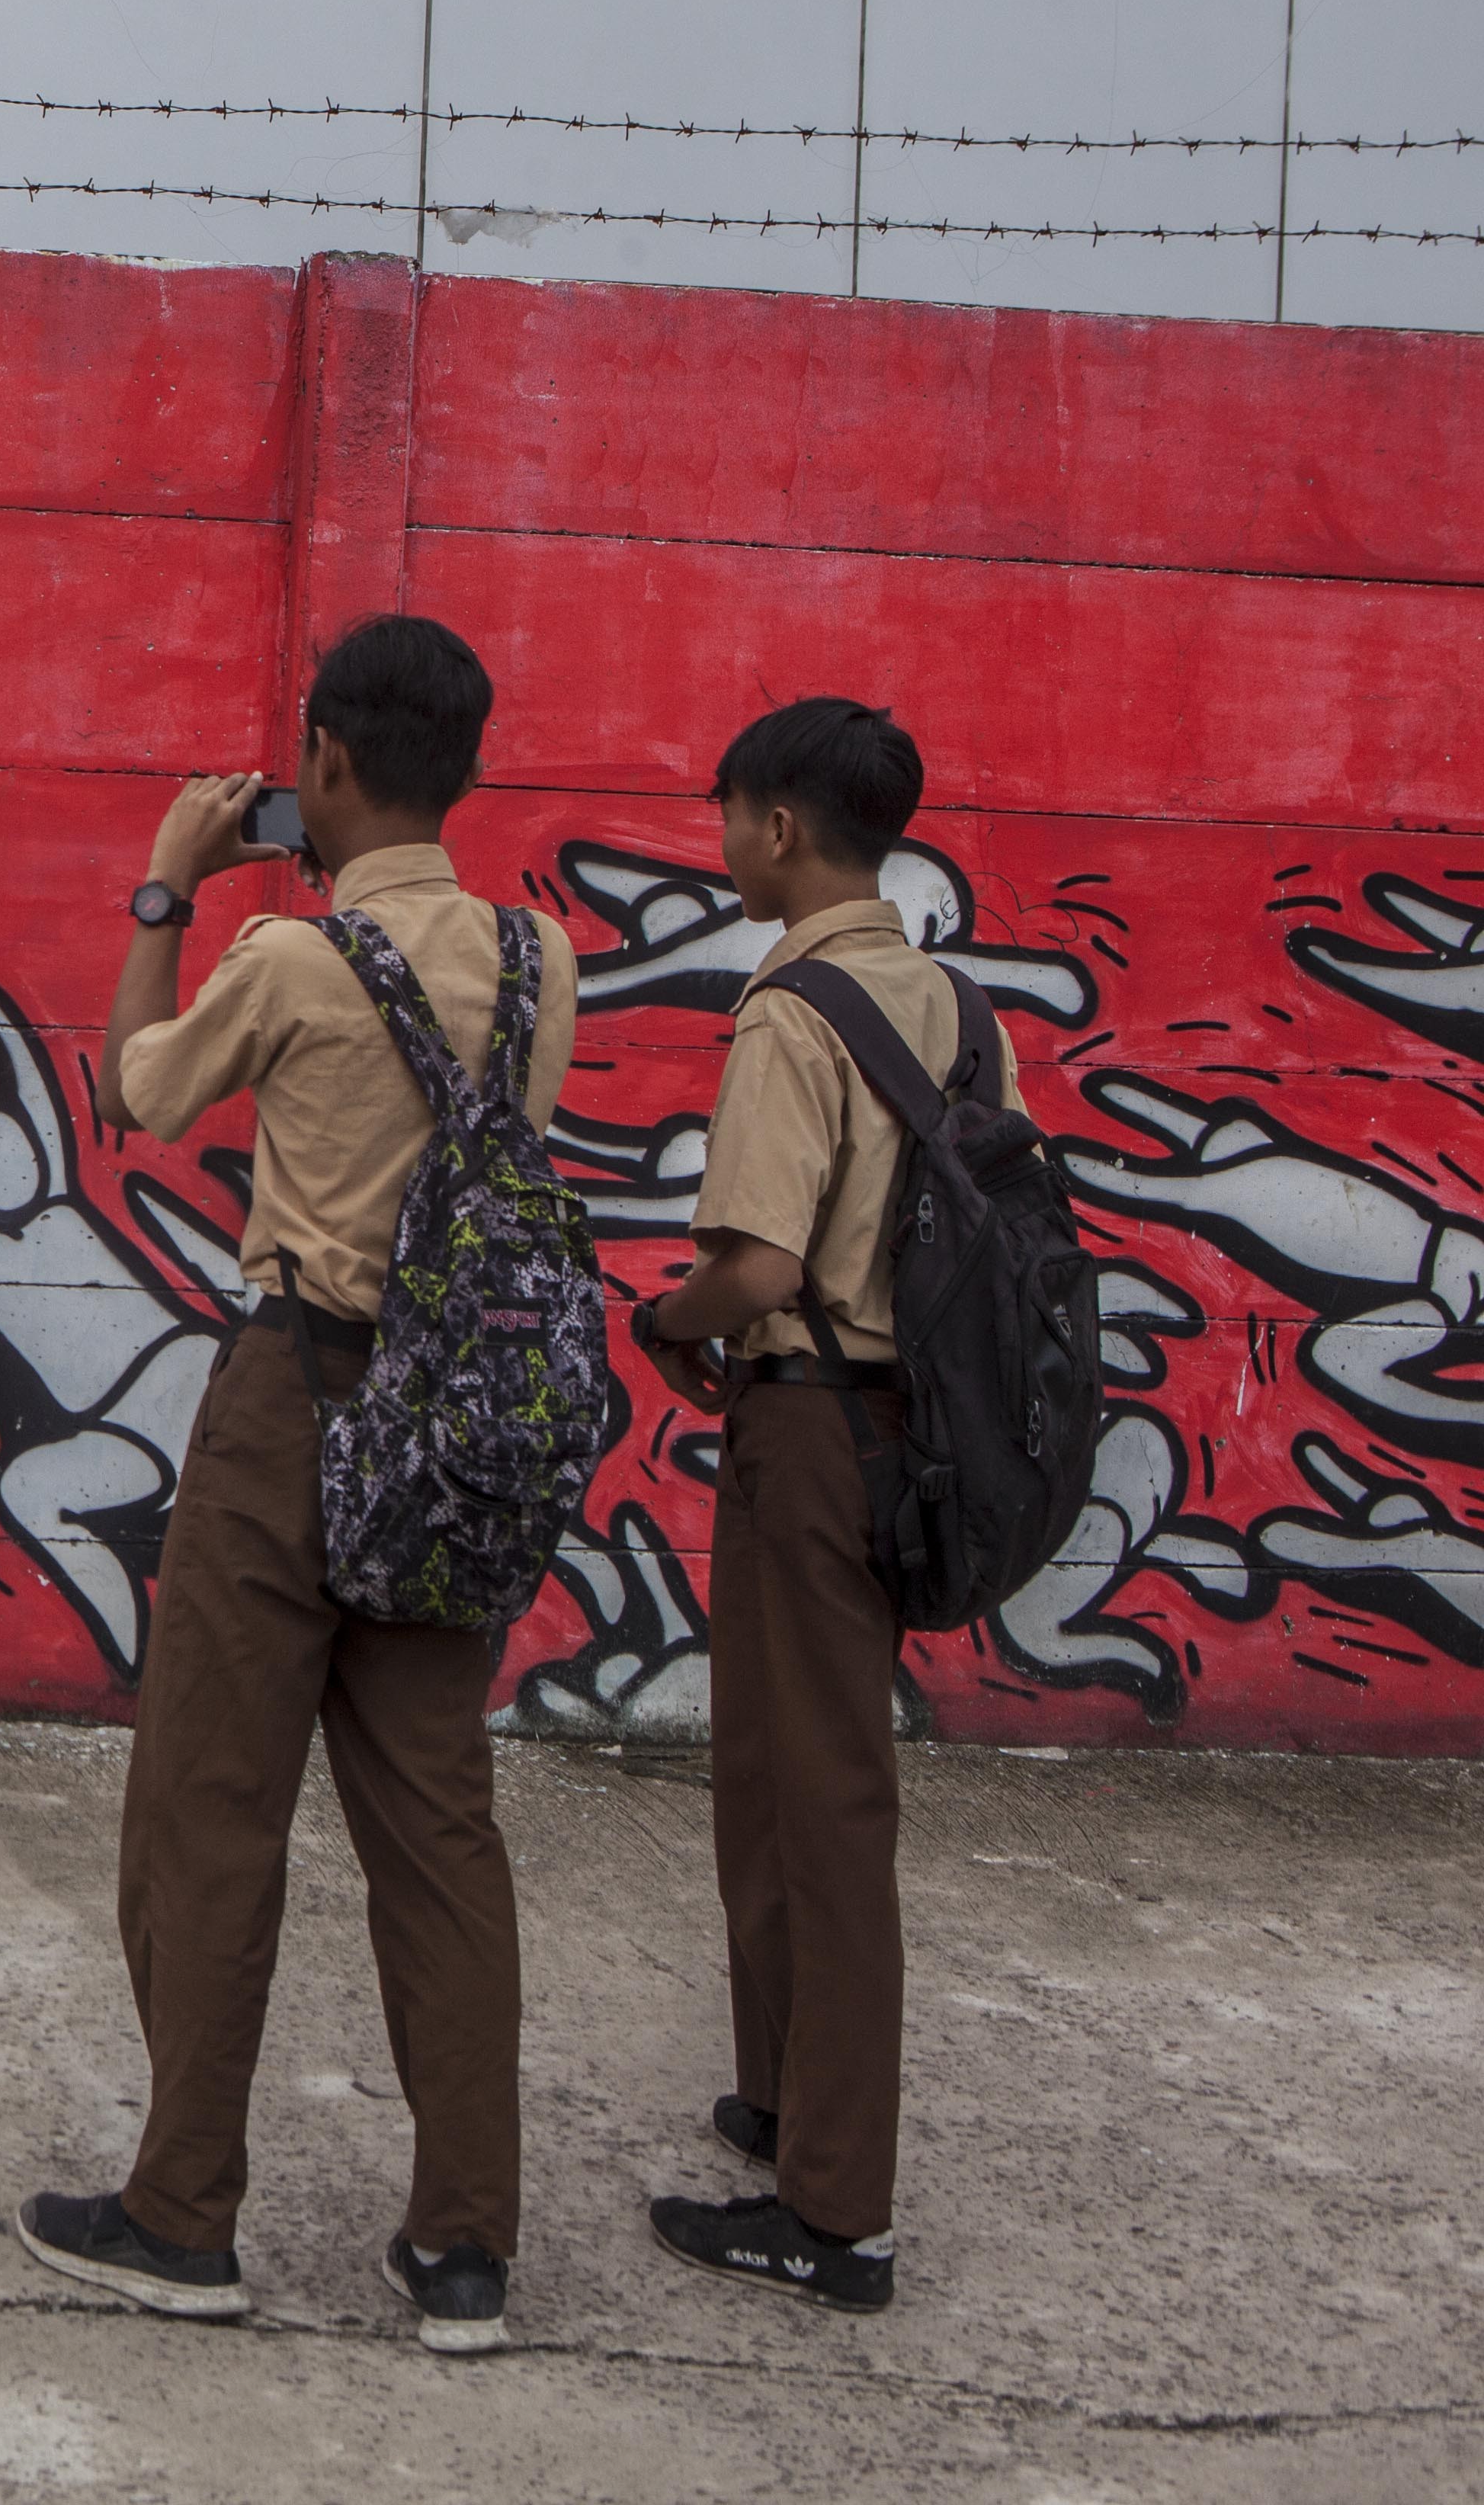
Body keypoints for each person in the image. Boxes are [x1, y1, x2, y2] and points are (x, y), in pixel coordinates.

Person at [13, 614, 576, 2359]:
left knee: (209, 1806)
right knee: (439, 1829)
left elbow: (142, 1092)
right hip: (458, 1423)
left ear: (320, 761)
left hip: (297, 1400)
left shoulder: (289, 954)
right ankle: (464, 2250)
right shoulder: (545, 960)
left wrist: (166, 893)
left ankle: (184, 2215)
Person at [627, 698, 1006, 2316]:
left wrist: (662, 1321)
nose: (721, 843)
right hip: (903, 1430)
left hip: (808, 1431)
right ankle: (784, 2100)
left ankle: (837, 2213)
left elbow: (764, 1265)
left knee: (823, 1805)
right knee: (778, 1775)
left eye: (727, 814)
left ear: (779, 828)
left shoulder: (795, 1010)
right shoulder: (952, 1003)